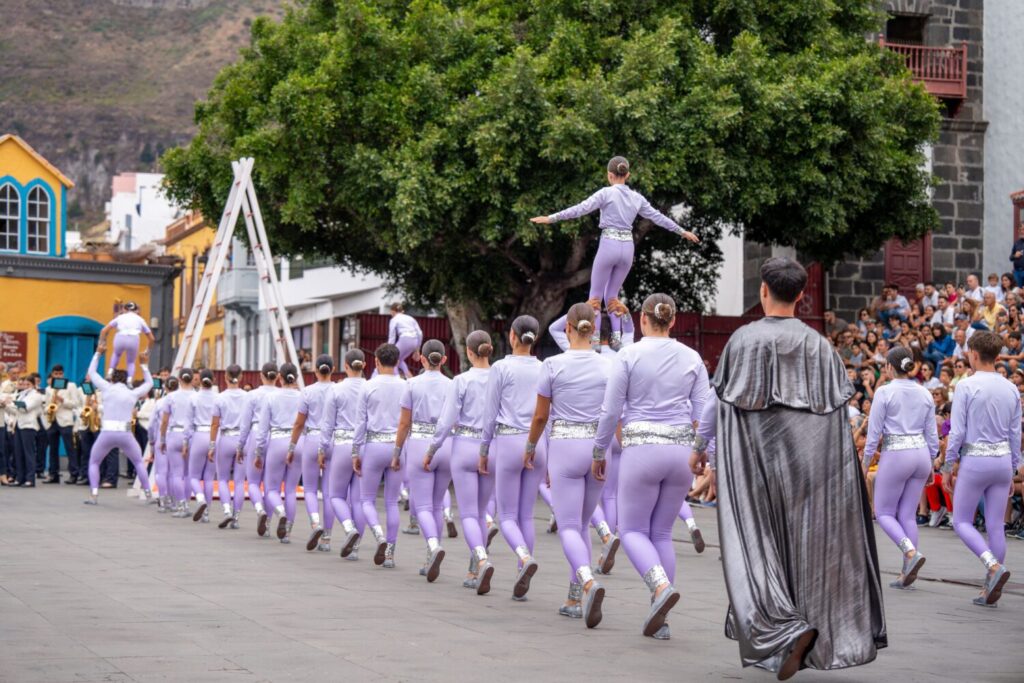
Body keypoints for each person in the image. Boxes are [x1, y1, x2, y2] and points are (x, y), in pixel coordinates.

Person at [710, 257, 886, 680]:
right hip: (812, 471)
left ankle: (782, 628)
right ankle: (802, 626)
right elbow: (836, 424)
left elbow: (726, 415)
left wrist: (718, 464)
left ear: (763, 291)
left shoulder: (743, 341)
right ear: (802, 295)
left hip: (756, 467)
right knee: (807, 550)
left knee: (757, 546)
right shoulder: (820, 345)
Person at [594, 293, 708, 640]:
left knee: (630, 531)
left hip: (641, 448)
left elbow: (611, 410)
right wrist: (705, 453)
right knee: (661, 534)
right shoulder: (692, 357)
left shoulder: (628, 355)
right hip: (680, 453)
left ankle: (659, 589)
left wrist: (600, 449)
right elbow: (703, 412)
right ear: (672, 321)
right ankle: (662, 616)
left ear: (643, 319)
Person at [530, 156, 699, 350]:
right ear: (627, 175)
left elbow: (581, 209)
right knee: (613, 298)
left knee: (595, 297)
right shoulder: (637, 198)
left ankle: (594, 343)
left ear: (609, 175)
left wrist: (552, 218)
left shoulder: (606, 193)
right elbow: (658, 217)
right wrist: (681, 231)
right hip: (627, 247)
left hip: (609, 243)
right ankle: (617, 341)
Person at [526, 303, 611, 628]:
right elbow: (613, 414)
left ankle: (587, 583)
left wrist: (532, 447)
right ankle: (574, 595)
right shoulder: (608, 366)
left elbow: (540, 416)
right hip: (597, 448)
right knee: (583, 522)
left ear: (569, 328)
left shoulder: (553, 364)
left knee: (569, 525)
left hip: (564, 446)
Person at [945, 331, 1022, 606]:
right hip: (1002, 461)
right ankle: (990, 588)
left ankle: (992, 566)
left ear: (974, 354)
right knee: (995, 526)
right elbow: (1015, 433)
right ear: (998, 356)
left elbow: (957, 432)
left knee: (961, 521)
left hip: (975, 461)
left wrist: (948, 465)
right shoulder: (1011, 387)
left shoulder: (966, 386)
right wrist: (1014, 467)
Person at [479, 316, 545, 599]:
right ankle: (522, 569)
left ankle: (524, 556)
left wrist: (484, 449)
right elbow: (547, 416)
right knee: (526, 515)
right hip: (537, 442)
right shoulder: (545, 368)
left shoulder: (501, 367)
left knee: (506, 515)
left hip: (508, 441)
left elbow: (490, 413)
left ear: (512, 336)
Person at [861, 347, 939, 589]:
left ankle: (909, 552)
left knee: (883, 512)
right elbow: (932, 435)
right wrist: (931, 463)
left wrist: (864, 465)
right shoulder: (924, 393)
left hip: (897, 453)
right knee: (907, 514)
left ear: (888, 367)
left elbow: (873, 435)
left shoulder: (884, 392)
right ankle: (907, 572)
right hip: (921, 454)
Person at [425, 331, 496, 593]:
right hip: (492, 446)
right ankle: (474, 566)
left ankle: (481, 559)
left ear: (468, 352)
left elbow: (446, 420)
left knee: (468, 512)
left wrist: (433, 448)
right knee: (481, 511)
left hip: (464, 446)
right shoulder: (499, 378)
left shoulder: (461, 380)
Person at [392, 340, 452, 581]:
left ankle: (434, 546)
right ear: (444, 360)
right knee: (437, 505)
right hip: (446, 444)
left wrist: (397, 452)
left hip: (419, 443)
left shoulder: (412, 384)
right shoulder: (452, 384)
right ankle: (430, 557)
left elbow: (404, 423)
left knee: (424, 505)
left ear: (422, 359)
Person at [353, 344, 406, 568]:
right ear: (397, 362)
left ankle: (378, 535)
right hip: (398, 446)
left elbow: (361, 423)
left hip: (373, 445)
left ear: (376, 361)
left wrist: (356, 451)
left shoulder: (368, 386)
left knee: (367, 499)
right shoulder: (406, 386)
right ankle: (391, 553)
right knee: (392, 502)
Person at [82, 341, 154, 505]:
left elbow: (92, 373)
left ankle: (94, 495)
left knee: (94, 462)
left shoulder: (106, 388)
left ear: (113, 379)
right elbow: (149, 384)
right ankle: (148, 494)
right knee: (138, 462)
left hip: (107, 432)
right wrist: (144, 366)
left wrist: (98, 353)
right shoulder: (132, 393)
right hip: (125, 432)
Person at [320, 350, 369, 559]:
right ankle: (355, 549)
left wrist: (323, 449)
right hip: (366, 446)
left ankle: (349, 528)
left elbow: (327, 424)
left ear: (345, 365)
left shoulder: (336, 389)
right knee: (359, 500)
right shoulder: (371, 387)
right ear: (364, 365)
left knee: (335, 495)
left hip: (341, 445)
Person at [289, 355, 336, 551]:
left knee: (309, 488)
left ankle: (315, 523)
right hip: (333, 440)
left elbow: (299, 422)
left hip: (311, 440)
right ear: (332, 370)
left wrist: (292, 446)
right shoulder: (337, 389)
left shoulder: (307, 392)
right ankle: (326, 538)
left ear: (315, 370)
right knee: (329, 492)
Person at [254, 363, 303, 544]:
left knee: (271, 488)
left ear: (280, 378)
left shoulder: (271, 397)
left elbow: (263, 428)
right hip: (298, 443)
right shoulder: (302, 396)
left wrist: (259, 452)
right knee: (291, 490)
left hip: (276, 442)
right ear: (295, 377)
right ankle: (287, 532)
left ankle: (279, 512)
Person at [237, 363, 280, 535]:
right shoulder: (281, 394)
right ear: (277, 376)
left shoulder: (252, 395)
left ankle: (259, 510)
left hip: (256, 434)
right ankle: (268, 523)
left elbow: (245, 423)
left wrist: (240, 445)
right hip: (276, 436)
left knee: (253, 482)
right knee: (271, 486)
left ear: (261, 376)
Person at [208, 365, 247, 529]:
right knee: (239, 481)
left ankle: (226, 511)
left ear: (225, 377)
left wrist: (211, 445)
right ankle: (236, 517)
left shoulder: (219, 398)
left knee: (222, 478)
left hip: (225, 438)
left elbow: (215, 425)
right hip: (243, 439)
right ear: (241, 376)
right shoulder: (248, 397)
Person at [184, 370, 218, 523]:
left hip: (198, 435)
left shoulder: (193, 398)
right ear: (213, 379)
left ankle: (199, 498)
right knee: (209, 478)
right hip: (214, 436)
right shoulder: (218, 397)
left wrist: (186, 441)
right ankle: (207, 513)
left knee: (193, 476)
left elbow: (188, 422)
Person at [162, 369, 196, 517]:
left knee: (177, 473)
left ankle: (180, 504)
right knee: (188, 473)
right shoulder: (197, 396)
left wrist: (162, 439)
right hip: (191, 434)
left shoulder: (171, 397)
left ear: (179, 380)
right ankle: (187, 503)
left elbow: (164, 420)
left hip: (174, 433)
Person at [4, 374, 44, 486]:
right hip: (18, 425)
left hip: (29, 426)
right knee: (18, 453)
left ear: (33, 384)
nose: (26, 386)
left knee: (29, 453)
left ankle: (30, 479)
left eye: (28, 384)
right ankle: (20, 478)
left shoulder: (36, 395)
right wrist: (5, 405)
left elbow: (26, 408)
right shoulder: (22, 395)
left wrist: (11, 402)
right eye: (24, 384)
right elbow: (15, 411)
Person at [43, 365, 81, 485]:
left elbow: (75, 404)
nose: (58, 376)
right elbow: (46, 405)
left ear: (63, 374)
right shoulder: (49, 388)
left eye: (60, 374)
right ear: (52, 374)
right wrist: (49, 408)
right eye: (56, 374)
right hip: (52, 420)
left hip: (65, 420)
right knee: (52, 449)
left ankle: (74, 474)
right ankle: (53, 474)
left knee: (70, 448)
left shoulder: (71, 386)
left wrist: (62, 400)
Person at [101, 302, 155, 381]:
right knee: (130, 362)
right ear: (136, 310)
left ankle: (110, 372)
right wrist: (147, 351)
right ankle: (129, 380)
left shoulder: (120, 317)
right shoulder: (140, 320)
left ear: (124, 309)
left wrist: (102, 343)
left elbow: (104, 330)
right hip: (133, 339)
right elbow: (152, 339)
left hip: (120, 337)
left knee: (116, 354)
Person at [386, 304, 424, 379]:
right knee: (399, 360)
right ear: (402, 311)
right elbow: (420, 333)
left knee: (392, 360)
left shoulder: (394, 319)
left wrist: (389, 350)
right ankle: (411, 380)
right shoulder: (410, 318)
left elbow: (392, 337)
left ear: (392, 311)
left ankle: (397, 381)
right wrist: (417, 349)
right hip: (414, 341)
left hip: (405, 339)